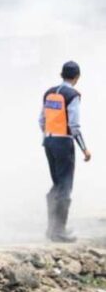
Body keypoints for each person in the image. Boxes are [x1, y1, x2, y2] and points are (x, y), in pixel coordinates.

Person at [39, 61, 91, 243]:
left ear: (62, 74)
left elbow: (41, 119)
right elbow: (74, 126)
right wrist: (84, 149)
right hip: (63, 143)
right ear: (77, 77)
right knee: (65, 185)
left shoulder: (49, 93)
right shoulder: (73, 95)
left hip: (49, 141)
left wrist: (48, 137)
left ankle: (51, 228)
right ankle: (59, 231)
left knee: (57, 183)